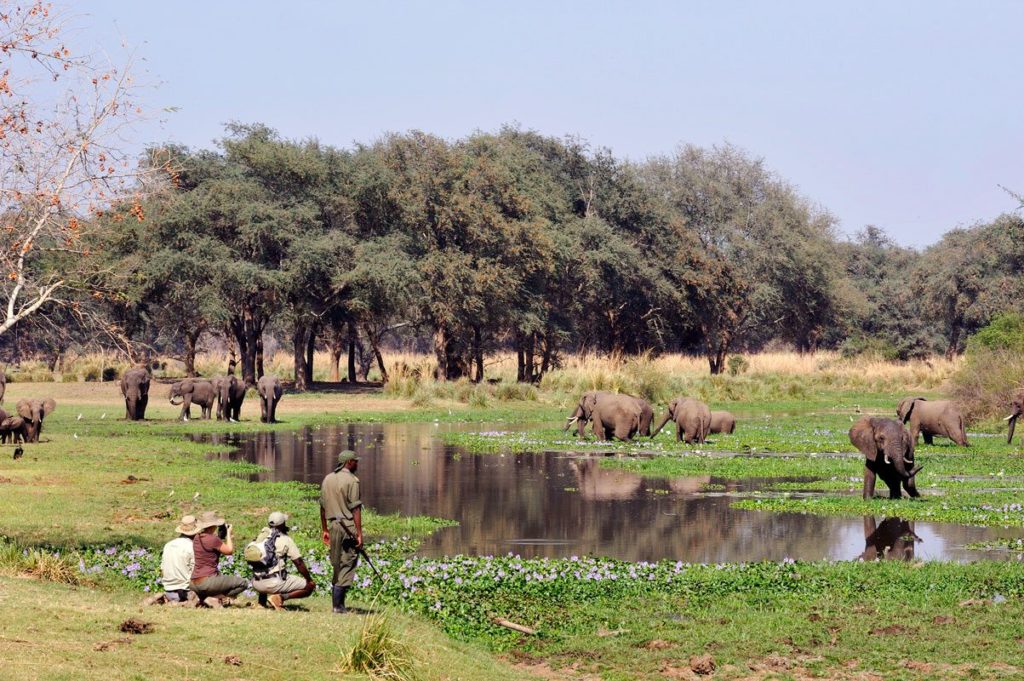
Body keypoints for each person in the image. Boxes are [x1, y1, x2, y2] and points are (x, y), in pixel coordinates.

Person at [320, 450, 363, 614]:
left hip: (333, 526)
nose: (357, 464)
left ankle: (337, 605)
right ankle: (338, 606)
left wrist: (324, 529)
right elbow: (356, 509)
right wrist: (359, 534)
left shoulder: (327, 479)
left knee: (336, 562)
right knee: (348, 562)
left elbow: (322, 507)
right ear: (349, 462)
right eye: (355, 461)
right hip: (348, 527)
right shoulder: (353, 481)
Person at [247, 511, 316, 610]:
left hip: (256, 583)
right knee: (308, 587)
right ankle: (279, 598)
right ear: (283, 524)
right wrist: (309, 580)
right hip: (273, 584)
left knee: (265, 567)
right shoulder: (285, 539)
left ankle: (261, 603)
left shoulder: (261, 537)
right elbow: (299, 563)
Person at [190, 510, 248, 607]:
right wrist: (229, 533)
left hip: (193, 583)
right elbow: (229, 551)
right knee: (243, 583)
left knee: (217, 581)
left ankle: (204, 599)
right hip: (207, 582)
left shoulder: (196, 537)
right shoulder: (213, 539)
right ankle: (216, 598)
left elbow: (210, 546)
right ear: (213, 525)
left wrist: (219, 537)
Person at [156, 514, 200, 604]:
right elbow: (195, 571)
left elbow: (162, 570)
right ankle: (183, 603)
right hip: (186, 592)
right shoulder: (192, 547)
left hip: (168, 590)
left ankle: (168, 599)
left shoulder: (168, 545)